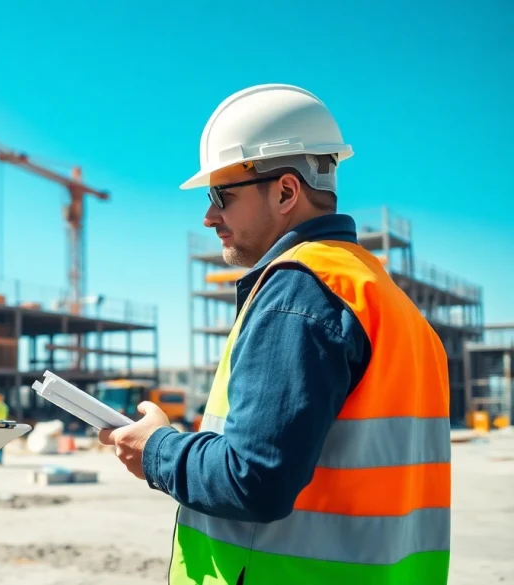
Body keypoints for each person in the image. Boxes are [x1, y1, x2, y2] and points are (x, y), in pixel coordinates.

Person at [99, 84, 451, 584]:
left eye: (221, 195)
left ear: (286, 191)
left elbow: (253, 480)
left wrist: (156, 449)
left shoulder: (299, 293)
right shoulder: (388, 300)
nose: (209, 216)